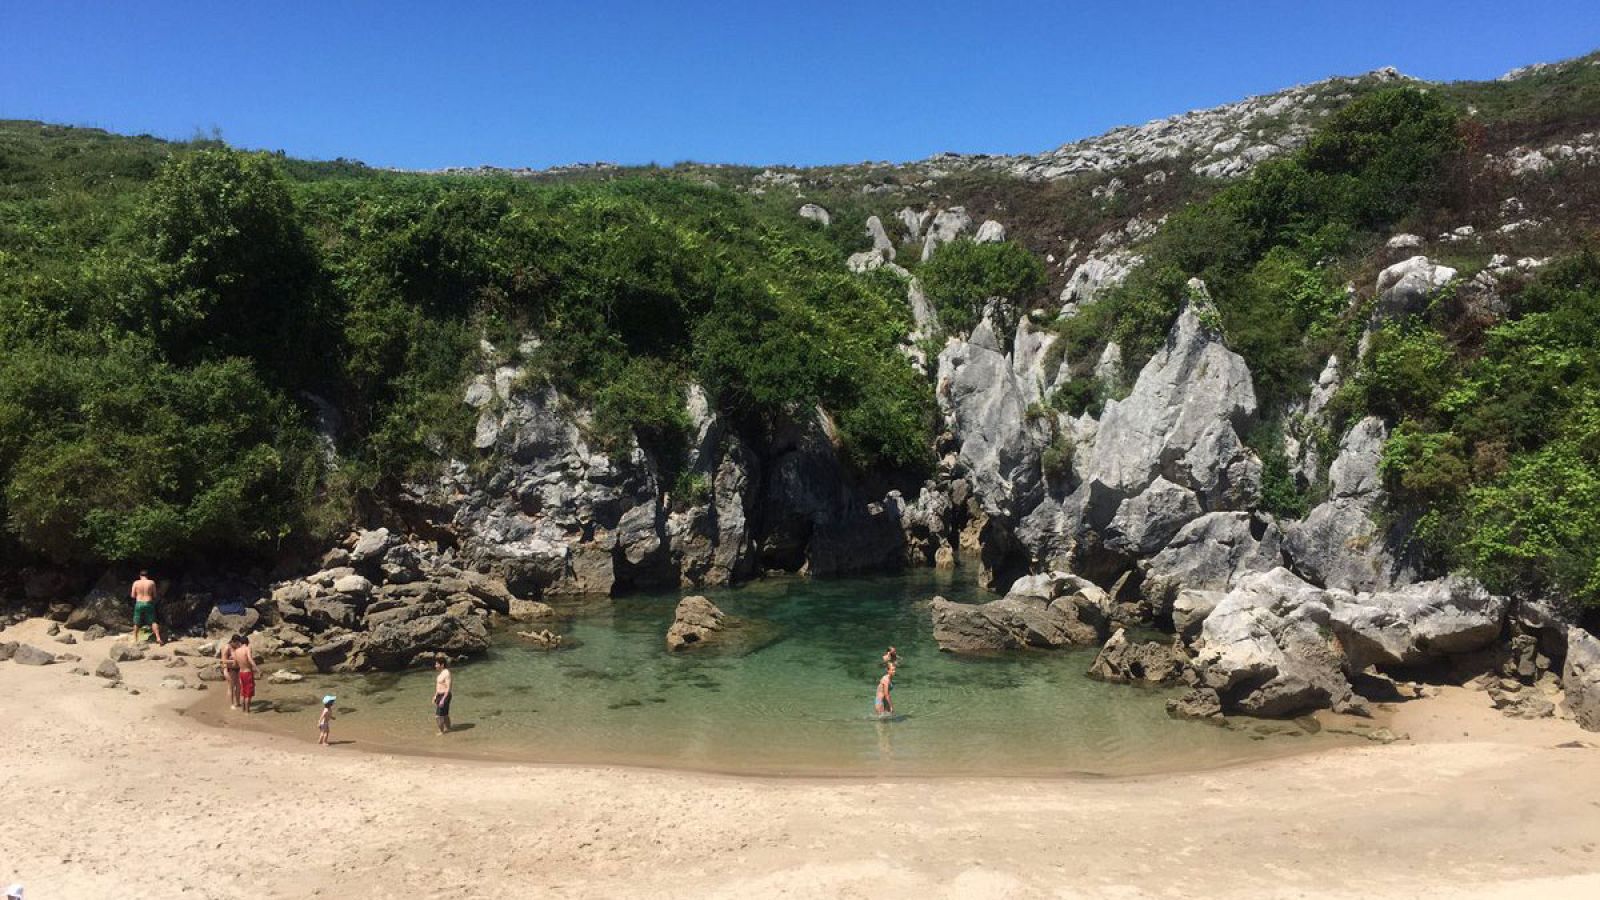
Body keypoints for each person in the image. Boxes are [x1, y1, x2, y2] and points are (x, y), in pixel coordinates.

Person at [130, 570, 163, 645]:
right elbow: (154, 595)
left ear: (140, 575)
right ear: (147, 576)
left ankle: (135, 638)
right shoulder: (151, 582)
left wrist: (138, 595)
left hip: (139, 603)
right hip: (149, 603)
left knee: (136, 622)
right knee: (153, 621)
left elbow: (132, 595)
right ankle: (158, 638)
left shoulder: (136, 583)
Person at [234, 634, 259, 714]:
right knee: (248, 693)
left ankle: (243, 710)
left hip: (241, 673)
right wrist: (257, 669)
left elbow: (235, 664)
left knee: (243, 692)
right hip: (248, 673)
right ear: (247, 642)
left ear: (241, 642)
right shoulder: (248, 648)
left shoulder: (237, 651)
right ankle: (247, 712)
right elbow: (250, 659)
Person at [220, 635, 242, 709]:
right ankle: (232, 704)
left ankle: (238, 703)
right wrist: (234, 661)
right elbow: (223, 661)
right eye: (237, 643)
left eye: (239, 643)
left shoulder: (238, 646)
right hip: (229, 669)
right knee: (231, 687)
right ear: (233, 641)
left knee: (239, 686)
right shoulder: (227, 648)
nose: (238, 645)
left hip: (238, 669)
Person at [433, 658, 453, 735]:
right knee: (445, 715)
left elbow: (448, 688)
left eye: (437, 664)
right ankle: (449, 729)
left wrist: (443, 699)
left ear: (442, 665)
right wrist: (435, 695)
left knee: (438, 716)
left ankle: (441, 732)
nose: (435, 666)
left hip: (445, 695)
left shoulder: (447, 673)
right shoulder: (440, 673)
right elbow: (439, 685)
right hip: (439, 695)